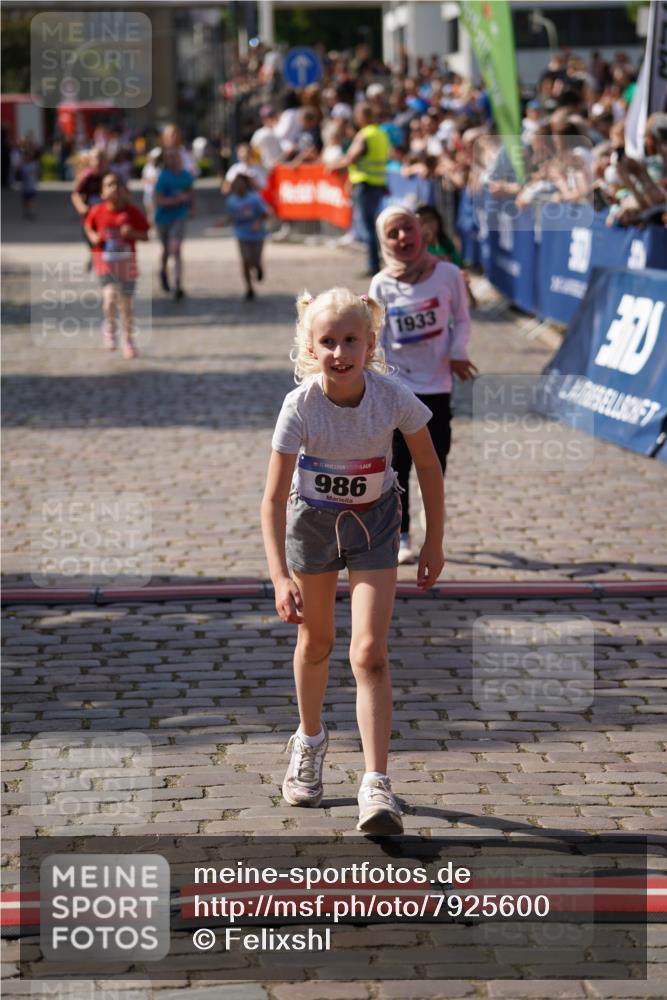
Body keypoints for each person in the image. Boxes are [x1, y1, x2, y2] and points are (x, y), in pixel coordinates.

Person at [260, 287, 445, 835]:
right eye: (327, 342)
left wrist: (432, 542)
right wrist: (276, 575)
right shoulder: (300, 405)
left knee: (369, 653)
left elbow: (429, 469)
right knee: (316, 642)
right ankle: (310, 741)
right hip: (311, 525)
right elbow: (271, 498)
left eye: (350, 340)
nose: (340, 352)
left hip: (375, 523)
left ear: (370, 343)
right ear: (310, 349)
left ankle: (375, 782)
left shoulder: (393, 397)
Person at [369, 206, 477, 565]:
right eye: (392, 234)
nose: (402, 238)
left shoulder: (447, 274)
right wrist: (380, 379)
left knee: (435, 466)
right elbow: (377, 336)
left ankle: (434, 537)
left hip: (438, 387)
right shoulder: (381, 283)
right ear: (383, 242)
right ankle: (400, 536)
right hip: (399, 389)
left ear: (422, 232)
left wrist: (458, 351)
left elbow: (461, 319)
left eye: (407, 230)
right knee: (397, 467)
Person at [84, 172, 149, 360]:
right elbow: (88, 227)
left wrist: (132, 233)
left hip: (127, 265)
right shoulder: (97, 211)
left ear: (124, 190)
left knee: (127, 305)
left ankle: (128, 339)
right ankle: (110, 326)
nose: (114, 189)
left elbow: (146, 235)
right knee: (110, 296)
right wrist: (94, 238)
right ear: (103, 192)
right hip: (105, 263)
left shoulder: (132, 212)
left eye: (117, 185)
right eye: (109, 185)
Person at [327, 103, 391, 276]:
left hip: (365, 184)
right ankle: (379, 261)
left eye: (357, 115)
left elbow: (351, 158)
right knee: (373, 226)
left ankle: (373, 265)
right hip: (377, 183)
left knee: (368, 227)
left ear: (363, 116)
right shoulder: (381, 134)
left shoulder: (365, 134)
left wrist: (333, 165)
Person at [153, 147, 194, 300]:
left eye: (174, 156)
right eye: (169, 157)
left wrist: (191, 207)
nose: (172, 160)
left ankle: (177, 284)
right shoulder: (163, 177)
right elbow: (158, 200)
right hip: (163, 218)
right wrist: (175, 200)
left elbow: (190, 192)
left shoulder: (185, 175)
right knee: (166, 250)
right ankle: (163, 270)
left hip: (180, 216)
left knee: (176, 249)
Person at [223, 171, 270, 301]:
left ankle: (259, 267)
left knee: (254, 259)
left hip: (257, 234)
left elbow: (266, 213)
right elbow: (232, 216)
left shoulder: (254, 198)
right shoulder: (231, 200)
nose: (238, 186)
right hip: (241, 233)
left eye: (241, 183)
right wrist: (223, 222)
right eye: (236, 184)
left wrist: (258, 222)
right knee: (245, 260)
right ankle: (249, 288)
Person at [71, 149, 109, 269]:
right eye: (95, 159)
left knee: (103, 238)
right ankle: (94, 255)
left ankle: (100, 259)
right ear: (90, 161)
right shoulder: (86, 176)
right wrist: (82, 207)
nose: (98, 162)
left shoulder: (109, 176)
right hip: (89, 215)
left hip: (105, 215)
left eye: (100, 159)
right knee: (89, 238)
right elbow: (76, 194)